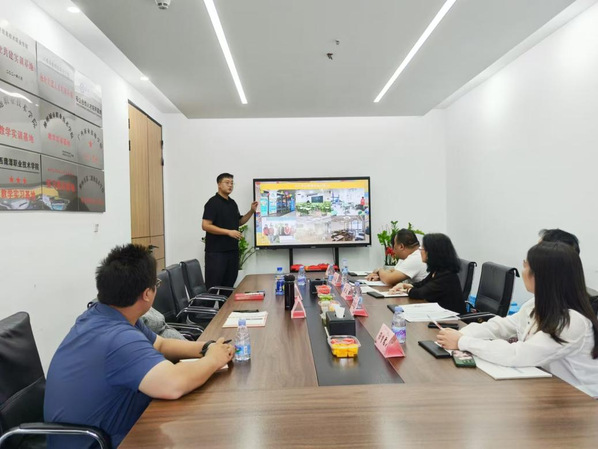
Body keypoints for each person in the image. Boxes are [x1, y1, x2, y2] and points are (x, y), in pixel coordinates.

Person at [44, 244, 235, 449]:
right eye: (156, 284)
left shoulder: (107, 315)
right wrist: (213, 360)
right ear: (146, 294)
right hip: (97, 442)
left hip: (111, 426)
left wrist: (207, 347)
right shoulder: (117, 338)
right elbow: (173, 385)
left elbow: (160, 344)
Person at [437, 241, 598, 397]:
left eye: (526, 266)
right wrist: (462, 334)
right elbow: (502, 325)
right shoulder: (537, 303)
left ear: (543, 276)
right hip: (546, 387)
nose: (523, 272)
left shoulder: (571, 321)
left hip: (580, 400)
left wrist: (463, 342)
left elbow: (519, 354)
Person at [202, 173, 258, 288]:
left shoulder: (232, 203)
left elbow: (239, 222)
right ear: (219, 184)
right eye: (227, 182)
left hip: (232, 252)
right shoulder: (212, 203)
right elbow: (206, 225)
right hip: (216, 253)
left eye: (232, 183)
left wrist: (251, 211)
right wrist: (228, 232)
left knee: (228, 287)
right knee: (213, 288)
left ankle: (226, 301)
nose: (230, 185)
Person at [390, 233, 465, 314]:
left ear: (433, 252)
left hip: (453, 319)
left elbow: (421, 293)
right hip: (439, 314)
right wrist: (405, 285)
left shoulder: (447, 276)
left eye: (423, 248)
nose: (420, 251)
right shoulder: (437, 271)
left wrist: (407, 290)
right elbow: (422, 284)